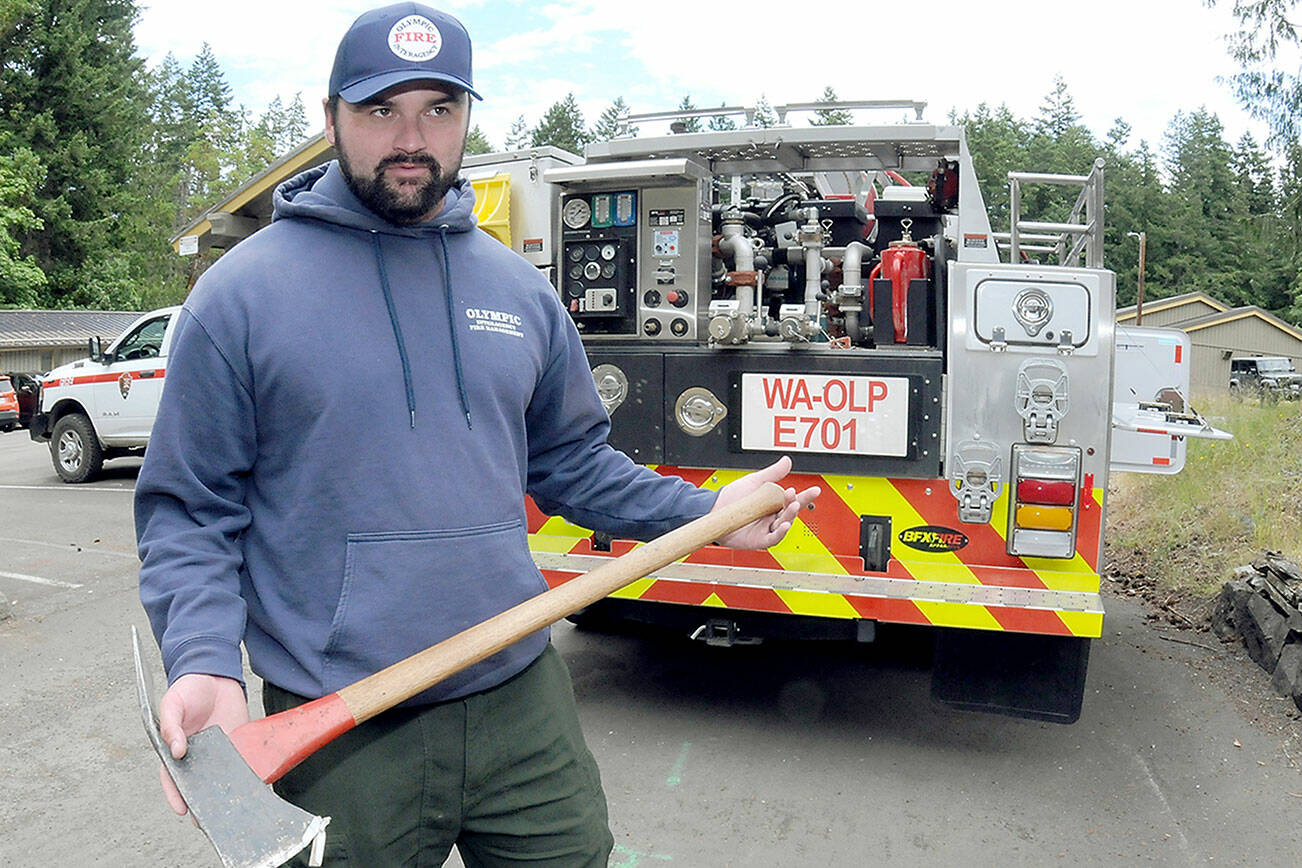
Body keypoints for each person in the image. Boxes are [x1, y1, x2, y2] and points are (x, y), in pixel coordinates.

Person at [136, 4, 819, 865]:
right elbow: (190, 512)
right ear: (331, 118)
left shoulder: (518, 289)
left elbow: (572, 462)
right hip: (343, 716)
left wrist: (707, 510)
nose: (411, 137)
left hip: (518, 693)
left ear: (468, 118)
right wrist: (203, 661)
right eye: (381, 110)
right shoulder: (240, 297)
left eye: (440, 110)